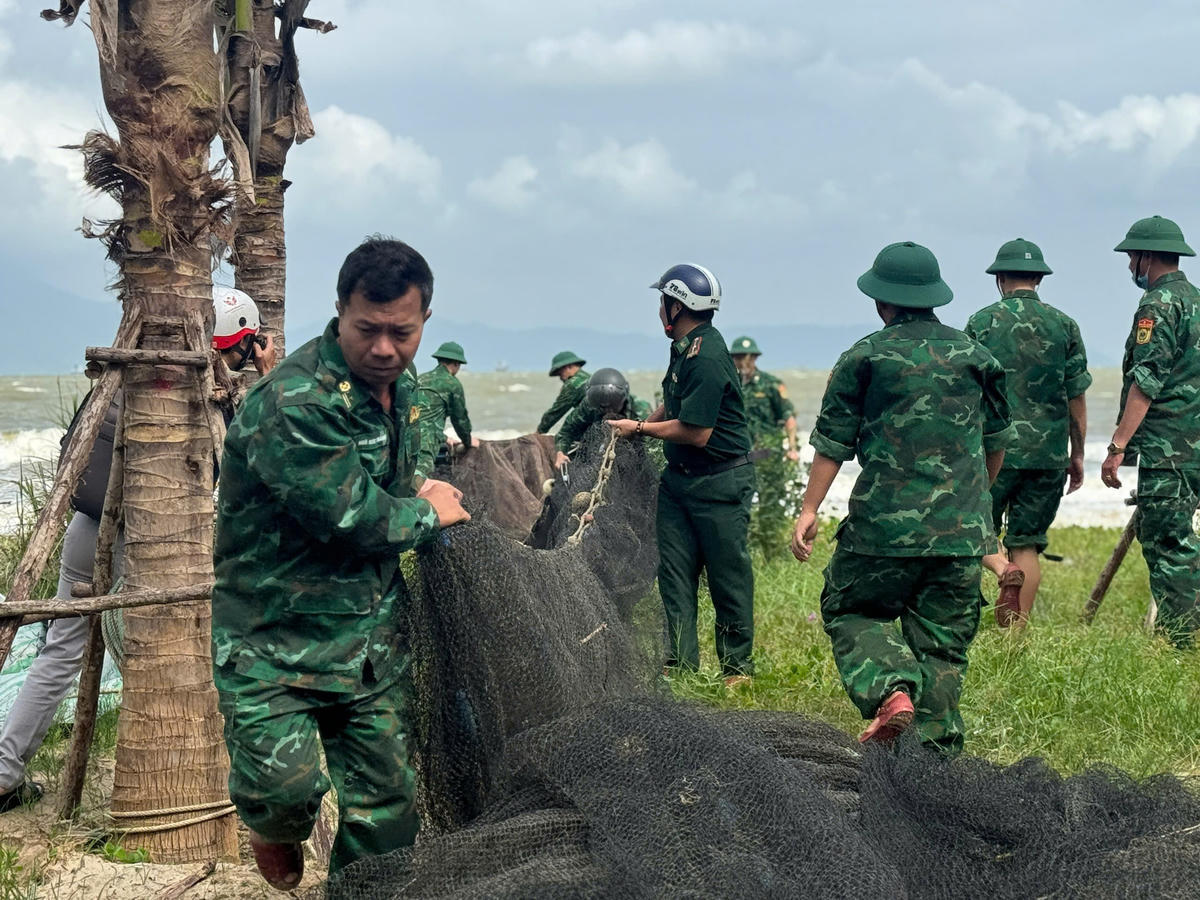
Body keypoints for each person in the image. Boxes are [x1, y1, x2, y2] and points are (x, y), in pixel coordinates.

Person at [212, 237, 471, 889]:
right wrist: (427, 513)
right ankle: (272, 823)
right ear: (339, 312)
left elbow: (390, 478)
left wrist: (416, 488)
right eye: (367, 329)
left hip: (369, 645)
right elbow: (352, 516)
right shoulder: (296, 401)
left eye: (401, 333)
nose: (384, 348)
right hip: (276, 644)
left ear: (424, 321)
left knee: (388, 814)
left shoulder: (405, 390)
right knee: (285, 792)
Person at [0, 285, 275, 815]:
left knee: (60, 650)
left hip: (87, 525)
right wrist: (264, 376)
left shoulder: (137, 371)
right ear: (239, 340)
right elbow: (262, 449)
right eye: (249, 341)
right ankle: (196, 774)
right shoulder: (208, 390)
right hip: (154, 540)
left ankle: (4, 770)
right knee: (170, 646)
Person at [791, 241, 1012, 755]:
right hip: (960, 534)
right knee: (943, 647)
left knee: (850, 608)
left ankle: (891, 689)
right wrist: (972, 505)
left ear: (881, 301)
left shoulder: (864, 356)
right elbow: (997, 442)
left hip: (881, 531)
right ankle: (933, 764)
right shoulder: (979, 358)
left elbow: (832, 444)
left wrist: (809, 509)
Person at [608, 263, 757, 688]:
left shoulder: (707, 355)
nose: (659, 310)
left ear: (677, 306)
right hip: (679, 482)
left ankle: (737, 670)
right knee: (673, 574)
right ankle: (680, 664)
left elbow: (696, 431)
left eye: (663, 302)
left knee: (728, 576)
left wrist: (639, 429)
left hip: (720, 482)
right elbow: (675, 405)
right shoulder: (684, 348)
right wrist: (643, 423)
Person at [965, 239, 1091, 628]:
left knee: (976, 535)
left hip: (993, 452)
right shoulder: (1065, 326)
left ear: (1000, 278)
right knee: (1027, 544)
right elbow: (1076, 397)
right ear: (1039, 278)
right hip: (1046, 456)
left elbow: (965, 392)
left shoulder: (982, 323)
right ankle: (1015, 636)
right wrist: (1077, 453)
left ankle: (973, 616)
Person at [1102, 215, 1200, 648]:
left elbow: (1146, 381)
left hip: (1169, 450)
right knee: (1180, 540)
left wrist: (1118, 445)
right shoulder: (1196, 300)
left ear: (1147, 257)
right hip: (1193, 448)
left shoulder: (1157, 306)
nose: (1130, 267)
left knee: (1169, 544)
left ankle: (1181, 643)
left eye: (1131, 258)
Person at [730, 335, 801, 556]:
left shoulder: (771, 384)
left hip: (768, 455)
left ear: (755, 358)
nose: (743, 362)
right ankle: (745, 551)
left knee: (771, 507)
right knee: (738, 506)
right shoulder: (729, 386)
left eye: (748, 357)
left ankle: (773, 553)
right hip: (738, 457)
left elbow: (788, 417)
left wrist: (792, 448)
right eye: (738, 357)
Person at [553, 368, 651, 468]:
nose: (608, 411)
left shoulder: (640, 410)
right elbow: (566, 431)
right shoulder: (589, 406)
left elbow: (651, 441)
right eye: (603, 408)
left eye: (613, 406)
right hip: (596, 453)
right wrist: (561, 453)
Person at [416, 341, 477, 481]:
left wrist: (444, 438)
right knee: (420, 484)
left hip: (404, 436)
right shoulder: (453, 384)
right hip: (425, 443)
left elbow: (422, 416)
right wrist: (468, 441)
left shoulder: (420, 379)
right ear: (456, 364)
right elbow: (460, 419)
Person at [537, 351, 590, 434]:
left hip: (595, 423)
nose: (561, 378)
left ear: (569, 367)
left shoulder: (572, 384)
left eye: (560, 373)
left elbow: (556, 412)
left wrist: (539, 431)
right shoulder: (589, 377)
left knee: (563, 436)